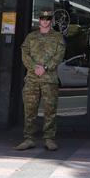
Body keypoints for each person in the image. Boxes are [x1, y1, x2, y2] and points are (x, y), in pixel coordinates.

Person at [15, 9, 65, 151]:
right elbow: (25, 54)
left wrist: (46, 67)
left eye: (48, 18)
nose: (45, 21)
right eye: (43, 18)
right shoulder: (31, 37)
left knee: (50, 110)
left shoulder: (58, 37)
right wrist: (34, 67)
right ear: (39, 20)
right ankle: (29, 138)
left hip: (49, 79)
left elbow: (59, 55)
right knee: (30, 109)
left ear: (51, 21)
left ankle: (49, 138)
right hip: (32, 78)